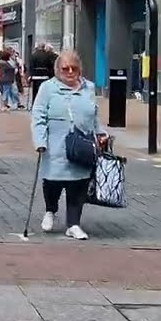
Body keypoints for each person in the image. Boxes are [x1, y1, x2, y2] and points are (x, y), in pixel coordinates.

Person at [31, 49, 109, 240]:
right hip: (55, 144)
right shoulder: (48, 88)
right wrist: (40, 141)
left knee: (79, 183)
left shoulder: (88, 88)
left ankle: (73, 224)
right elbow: (38, 115)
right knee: (53, 181)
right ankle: (50, 211)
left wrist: (101, 133)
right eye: (65, 68)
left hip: (82, 143)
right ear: (58, 69)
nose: (70, 72)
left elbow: (93, 114)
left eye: (74, 68)